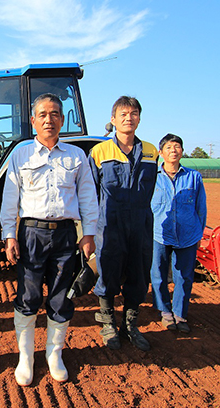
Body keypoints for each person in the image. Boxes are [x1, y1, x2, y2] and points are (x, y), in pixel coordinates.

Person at [0, 93, 98, 386]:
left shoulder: (76, 156)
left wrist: (89, 234)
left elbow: (88, 197)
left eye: (55, 114)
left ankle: (54, 355)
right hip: (31, 233)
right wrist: (8, 235)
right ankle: (26, 358)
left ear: (62, 120)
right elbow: (9, 199)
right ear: (33, 121)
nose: (49, 119)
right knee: (29, 295)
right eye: (42, 114)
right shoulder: (20, 155)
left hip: (66, 234)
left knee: (61, 296)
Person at [88, 96, 159, 352]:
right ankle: (107, 322)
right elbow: (89, 194)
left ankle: (130, 324)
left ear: (139, 118)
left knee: (139, 273)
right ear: (113, 119)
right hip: (109, 224)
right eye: (124, 114)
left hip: (140, 223)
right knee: (107, 271)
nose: (129, 118)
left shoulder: (151, 152)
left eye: (134, 113)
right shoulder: (99, 152)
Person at [150, 133, 207, 334]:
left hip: (188, 234)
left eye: (177, 147)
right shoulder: (152, 178)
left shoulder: (193, 177)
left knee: (184, 276)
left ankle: (180, 314)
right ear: (161, 153)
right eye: (169, 147)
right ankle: (165, 312)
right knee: (158, 274)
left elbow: (201, 208)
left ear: (182, 151)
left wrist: (199, 234)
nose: (173, 150)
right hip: (159, 233)